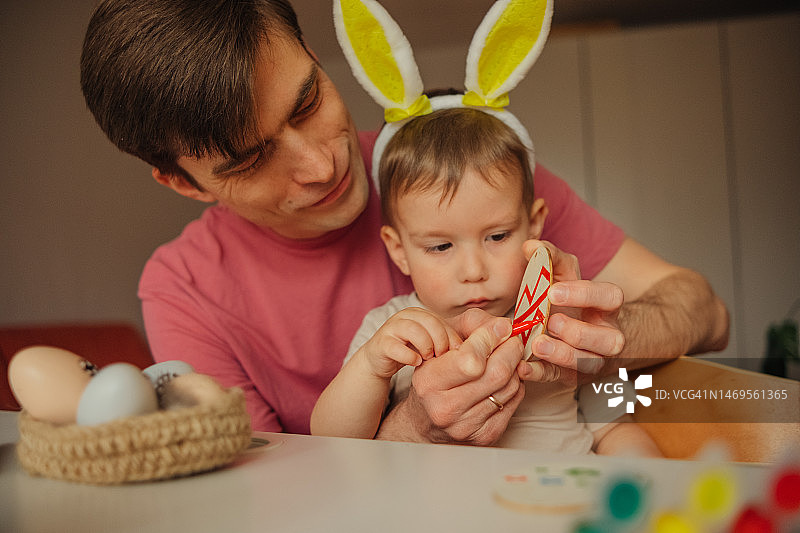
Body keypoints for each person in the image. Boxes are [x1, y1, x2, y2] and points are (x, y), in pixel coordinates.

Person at [80, 0, 729, 443]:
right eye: (252, 159)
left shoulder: (461, 173)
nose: (319, 163)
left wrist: (609, 335)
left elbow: (708, 312)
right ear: (181, 181)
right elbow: (271, 504)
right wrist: (417, 424)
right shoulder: (185, 291)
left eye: (307, 102)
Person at [311, 106, 662, 456]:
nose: (473, 270)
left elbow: (616, 429)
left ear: (534, 224)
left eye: (497, 237)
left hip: (560, 503)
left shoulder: (565, 325)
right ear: (399, 249)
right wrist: (373, 365)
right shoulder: (389, 332)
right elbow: (330, 440)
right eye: (441, 246)